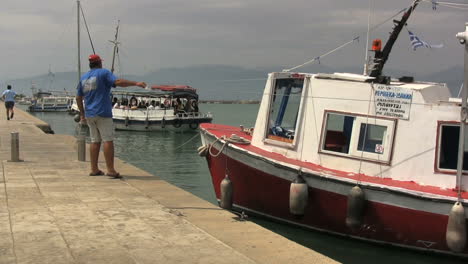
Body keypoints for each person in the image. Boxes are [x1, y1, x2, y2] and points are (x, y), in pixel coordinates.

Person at [76, 54, 146, 178]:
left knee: (94, 141)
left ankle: (94, 169)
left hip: (90, 114)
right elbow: (118, 82)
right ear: (100, 63)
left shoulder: (84, 78)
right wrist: (136, 83)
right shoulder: (103, 73)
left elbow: (78, 97)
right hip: (103, 112)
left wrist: (82, 114)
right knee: (108, 140)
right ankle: (111, 170)